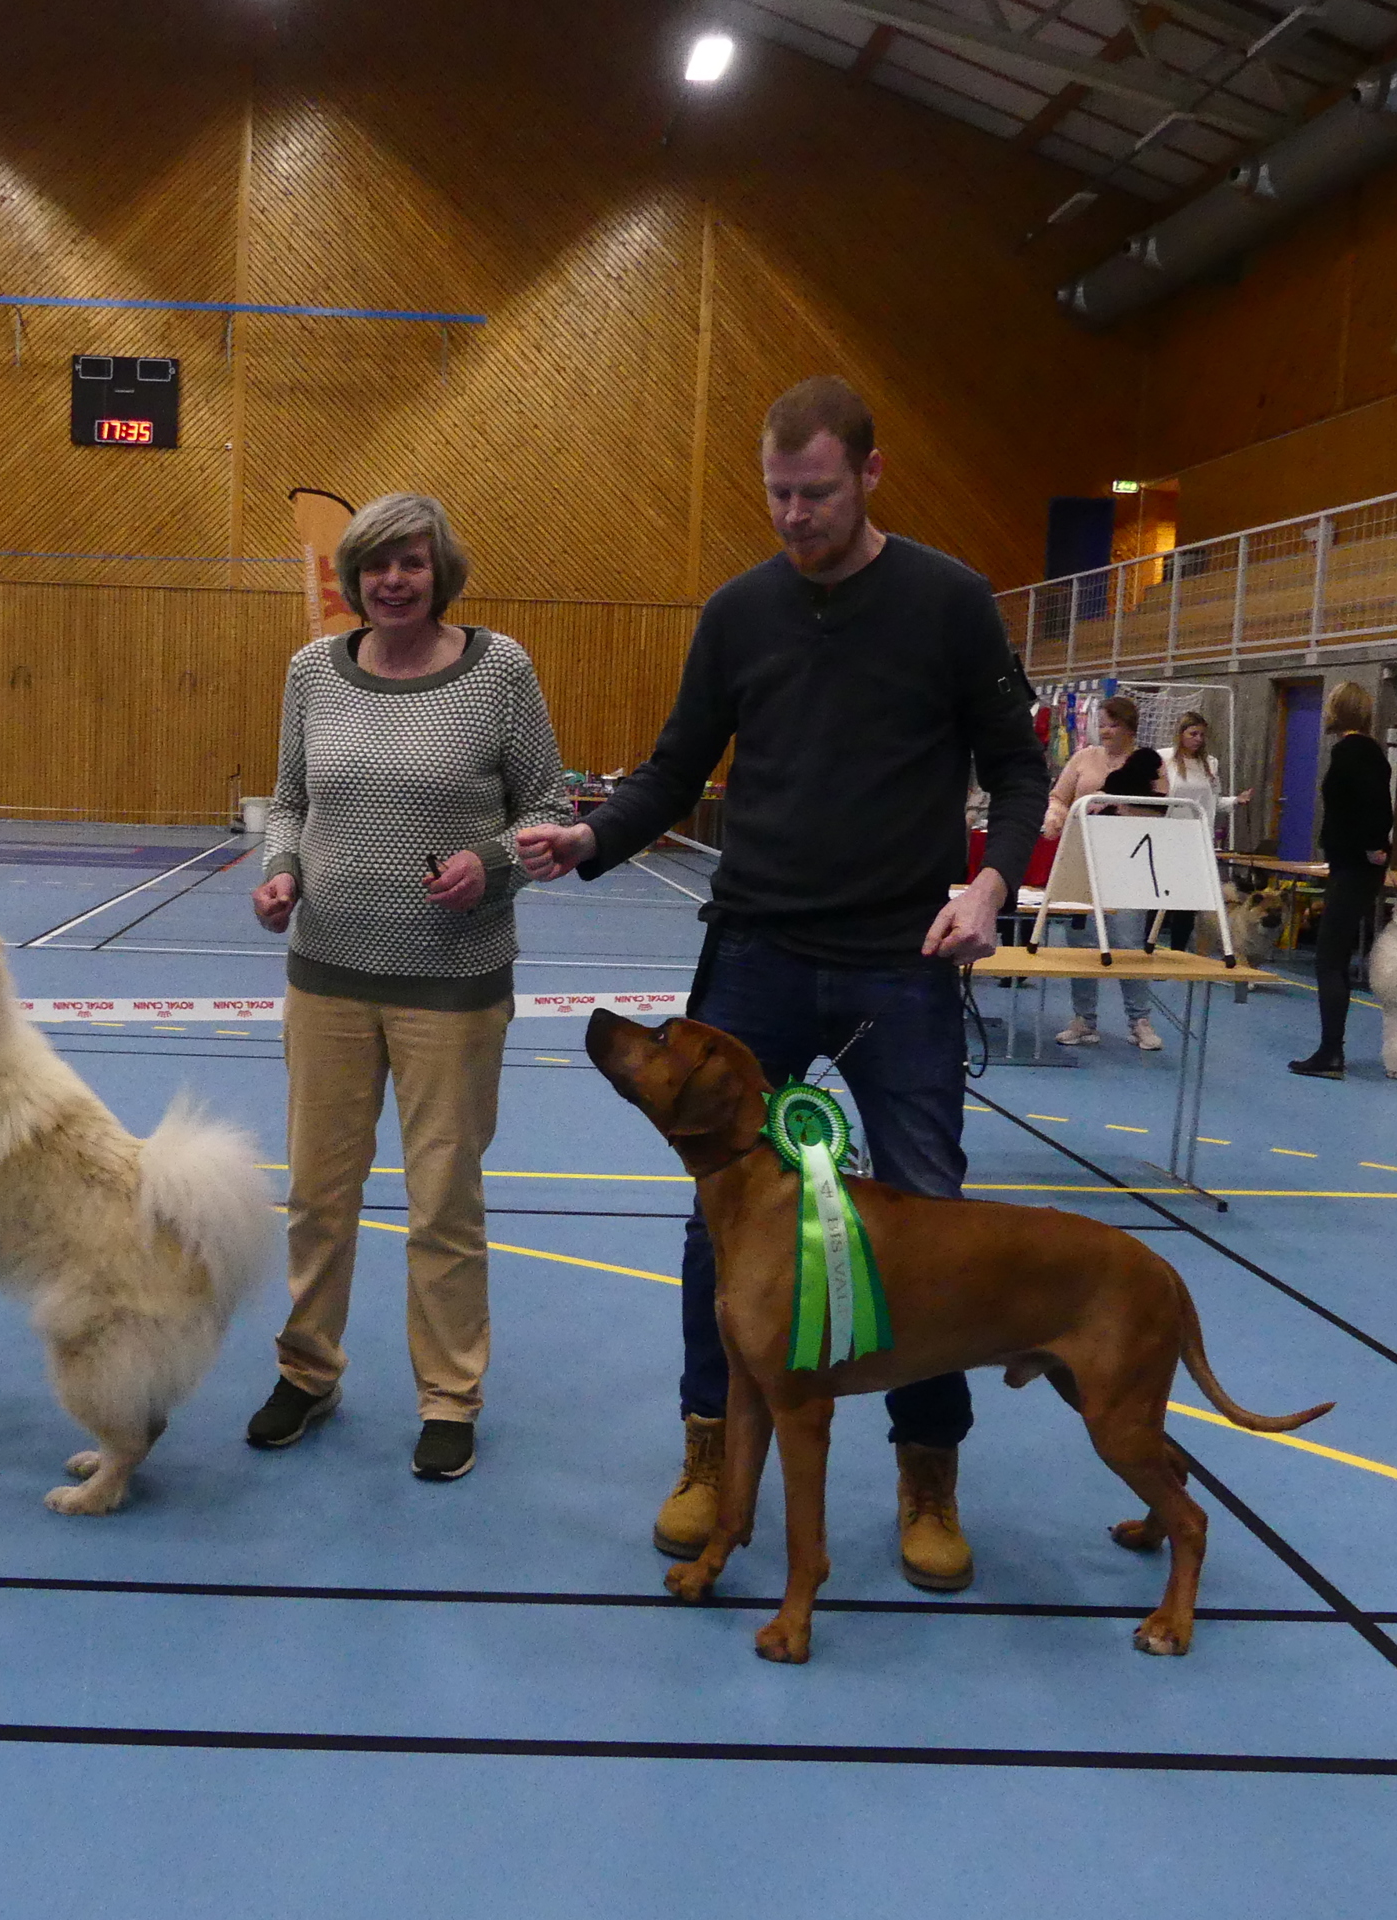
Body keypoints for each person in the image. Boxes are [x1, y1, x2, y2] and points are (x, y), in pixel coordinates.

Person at [515, 376, 1047, 1589]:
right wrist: (591, 838)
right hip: (755, 952)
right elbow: (673, 771)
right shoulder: (738, 613)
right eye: (776, 495)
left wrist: (989, 887)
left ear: (869, 474)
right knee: (720, 1219)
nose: (794, 516)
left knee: (929, 1217)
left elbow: (1019, 771)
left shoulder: (950, 603)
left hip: (901, 963)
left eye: (815, 494)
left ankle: (926, 1471)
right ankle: (709, 1452)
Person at [244, 493, 569, 1485]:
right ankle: (307, 1371)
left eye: (411, 563)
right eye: (375, 565)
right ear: (352, 578)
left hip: (453, 987)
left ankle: (448, 1396)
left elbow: (548, 807)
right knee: (318, 1195)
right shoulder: (312, 671)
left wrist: (491, 861)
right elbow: (290, 801)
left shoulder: (500, 670)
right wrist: (282, 869)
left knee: (442, 1205)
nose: (392, 581)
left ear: (440, 572)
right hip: (326, 980)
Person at [1042, 696, 1165, 1049]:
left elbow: (1162, 809)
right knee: (1080, 943)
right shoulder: (1084, 758)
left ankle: (1139, 1021)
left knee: (1128, 942)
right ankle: (1084, 1020)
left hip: (1130, 863)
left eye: (1113, 724)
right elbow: (1059, 797)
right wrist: (1055, 815)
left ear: (1130, 728)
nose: (1106, 731)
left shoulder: (1149, 762)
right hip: (1082, 859)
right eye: (1102, 724)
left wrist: (1118, 807)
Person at [1287, 681, 1392, 1079]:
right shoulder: (1363, 750)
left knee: (1329, 960)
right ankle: (1331, 1049)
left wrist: (1372, 846)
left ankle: (1331, 1052)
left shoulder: (1353, 752)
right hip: (1351, 865)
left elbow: (1376, 808)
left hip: (1354, 867)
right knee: (1334, 956)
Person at [1161, 710, 1251, 953]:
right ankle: (1147, 947)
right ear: (1181, 734)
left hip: (1198, 839)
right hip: (1167, 837)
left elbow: (1212, 801)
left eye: (1202, 735)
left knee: (1188, 899)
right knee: (1160, 896)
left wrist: (1235, 801)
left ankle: (1179, 950)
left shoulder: (1210, 763)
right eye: (1193, 734)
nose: (1198, 739)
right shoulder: (1164, 758)